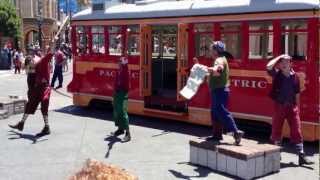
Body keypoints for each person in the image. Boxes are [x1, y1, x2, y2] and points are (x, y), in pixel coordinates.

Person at [266, 54, 314, 166]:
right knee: (277, 129)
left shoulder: (295, 76)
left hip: (292, 107)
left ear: (291, 64)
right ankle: (276, 154)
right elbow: (268, 67)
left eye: (286, 61)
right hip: (280, 106)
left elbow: (297, 94)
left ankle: (301, 156)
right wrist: (278, 57)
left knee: (297, 130)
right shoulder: (277, 74)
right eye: (282, 62)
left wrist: (298, 108)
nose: (284, 64)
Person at [9, 45, 54, 137]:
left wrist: (53, 43)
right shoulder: (32, 69)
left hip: (44, 88)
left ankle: (47, 127)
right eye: (28, 66)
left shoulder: (41, 62)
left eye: (30, 65)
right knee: (30, 105)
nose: (29, 68)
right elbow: (27, 71)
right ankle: (21, 123)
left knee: (44, 104)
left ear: (33, 61)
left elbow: (50, 54)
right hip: (36, 89)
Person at [206, 41, 244, 145]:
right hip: (219, 89)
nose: (210, 51)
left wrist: (211, 69)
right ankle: (217, 135)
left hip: (220, 90)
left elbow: (219, 68)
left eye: (211, 49)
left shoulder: (219, 60)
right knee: (215, 112)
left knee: (220, 110)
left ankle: (236, 132)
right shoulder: (222, 59)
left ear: (215, 51)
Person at [111, 56, 131, 142]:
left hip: (123, 93)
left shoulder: (125, 70)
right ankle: (120, 129)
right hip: (117, 93)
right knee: (117, 111)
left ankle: (128, 133)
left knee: (123, 112)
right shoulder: (118, 71)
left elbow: (126, 64)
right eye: (118, 62)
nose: (118, 63)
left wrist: (125, 62)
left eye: (120, 62)